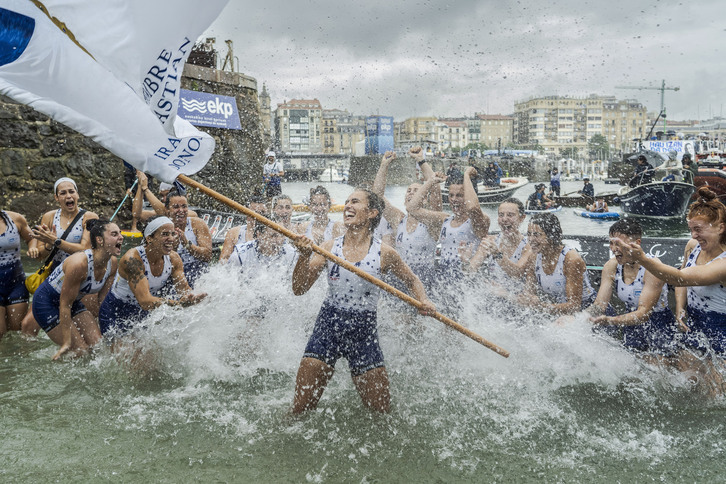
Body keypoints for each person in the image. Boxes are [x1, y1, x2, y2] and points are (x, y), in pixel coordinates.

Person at [290, 187, 436, 414]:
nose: (347, 206)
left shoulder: (384, 253)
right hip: (328, 326)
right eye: (347, 201)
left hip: (363, 332)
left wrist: (424, 300)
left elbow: (412, 279)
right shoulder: (329, 248)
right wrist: (303, 256)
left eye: (355, 202)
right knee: (299, 410)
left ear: (372, 213)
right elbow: (299, 289)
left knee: (382, 415)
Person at [612, 187, 726, 357]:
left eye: (699, 229)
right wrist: (680, 307)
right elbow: (684, 277)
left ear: (721, 227)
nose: (694, 235)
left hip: (721, 331)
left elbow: (680, 278)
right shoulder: (693, 247)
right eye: (691, 229)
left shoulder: (723, 263)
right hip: (695, 328)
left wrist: (642, 259)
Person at [99, 216, 206, 337]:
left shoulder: (174, 259)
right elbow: (145, 301)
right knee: (123, 355)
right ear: (149, 238)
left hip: (143, 313)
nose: (171, 238)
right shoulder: (133, 259)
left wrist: (194, 298)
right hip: (116, 311)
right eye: (165, 234)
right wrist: (178, 304)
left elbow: (184, 291)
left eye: (172, 234)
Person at [32, 219, 121, 359]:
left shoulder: (113, 263)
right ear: (99, 240)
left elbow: (103, 301)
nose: (121, 237)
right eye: (114, 234)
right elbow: (64, 304)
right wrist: (67, 342)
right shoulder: (79, 264)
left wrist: (113, 329)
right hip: (46, 303)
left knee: (98, 347)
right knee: (80, 351)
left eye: (120, 233)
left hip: (72, 302)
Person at [587, 219, 678, 354]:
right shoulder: (611, 266)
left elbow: (644, 313)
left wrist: (610, 320)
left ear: (637, 243)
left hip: (659, 324)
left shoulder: (652, 268)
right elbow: (600, 305)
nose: (613, 249)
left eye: (618, 243)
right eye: (611, 243)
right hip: (630, 323)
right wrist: (580, 318)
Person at [23, 177, 99, 335]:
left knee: (87, 328)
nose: (68, 196)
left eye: (72, 191)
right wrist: (49, 245)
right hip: (55, 275)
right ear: (56, 198)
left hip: (81, 276)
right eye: (63, 193)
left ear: (77, 194)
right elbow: (41, 256)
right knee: (28, 326)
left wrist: (55, 240)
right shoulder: (49, 217)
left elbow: (84, 249)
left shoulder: (89, 217)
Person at [372, 148, 441, 287]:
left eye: (416, 191)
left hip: (424, 280)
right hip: (400, 277)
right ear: (404, 200)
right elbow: (377, 197)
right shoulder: (399, 219)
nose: (411, 193)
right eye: (408, 191)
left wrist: (421, 160)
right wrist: (384, 166)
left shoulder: (431, 222)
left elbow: (435, 188)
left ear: (425, 200)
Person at [407, 166, 490, 277]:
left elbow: (473, 208)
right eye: (451, 195)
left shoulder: (478, 220)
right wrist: (430, 182)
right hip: (444, 280)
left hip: (468, 280)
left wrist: (466, 176)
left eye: (459, 195)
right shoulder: (444, 219)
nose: (454, 199)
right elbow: (412, 208)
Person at [519, 212, 596, 315]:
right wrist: (529, 298)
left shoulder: (571, 260)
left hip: (587, 310)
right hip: (555, 308)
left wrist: (540, 306)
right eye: (529, 234)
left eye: (536, 235)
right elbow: (529, 291)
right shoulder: (533, 257)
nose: (531, 239)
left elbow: (574, 306)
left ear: (552, 236)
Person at [464, 198, 532, 283]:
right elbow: (469, 271)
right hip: (492, 293)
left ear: (522, 218)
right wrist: (465, 260)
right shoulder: (491, 241)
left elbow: (517, 273)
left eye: (510, 215)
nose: (504, 219)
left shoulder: (528, 246)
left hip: (515, 295)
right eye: (501, 215)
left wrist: (497, 254)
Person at [166, 189, 213, 287]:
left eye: (184, 206)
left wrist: (187, 245)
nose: (181, 211)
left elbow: (208, 256)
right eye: (176, 207)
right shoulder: (162, 229)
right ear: (167, 210)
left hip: (199, 272)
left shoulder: (198, 224)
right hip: (174, 276)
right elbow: (159, 265)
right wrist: (173, 249)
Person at [0, 209, 34, 339]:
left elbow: (31, 238)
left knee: (18, 333)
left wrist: (32, 248)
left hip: (16, 284)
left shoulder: (15, 218)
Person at [219, 194, 270, 262]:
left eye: (262, 213)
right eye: (254, 212)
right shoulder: (234, 232)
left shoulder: (272, 234)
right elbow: (223, 260)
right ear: (247, 214)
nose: (258, 216)